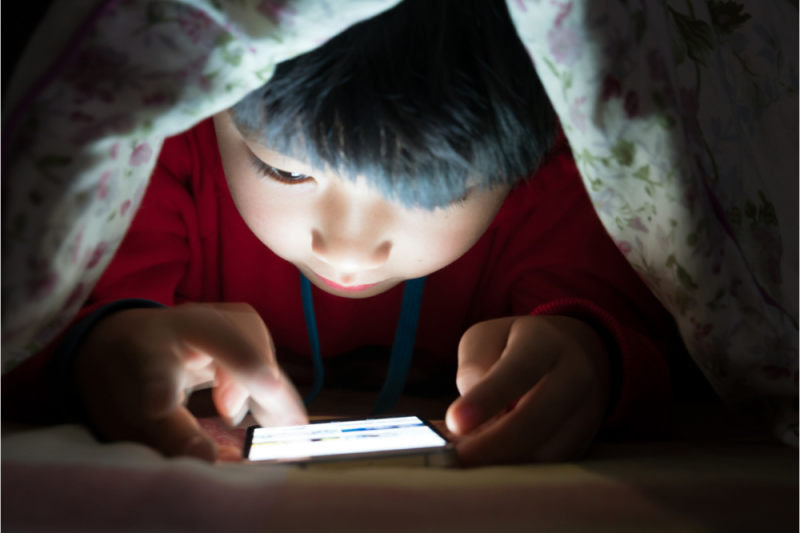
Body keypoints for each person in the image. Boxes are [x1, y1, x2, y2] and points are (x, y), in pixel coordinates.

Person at [2, 0, 673, 465]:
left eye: (434, 190)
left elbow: (662, 337)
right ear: (210, 107)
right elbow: (33, 322)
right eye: (284, 171)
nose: (349, 245)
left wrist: (592, 356)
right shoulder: (153, 153)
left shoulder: (558, 177)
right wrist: (96, 348)